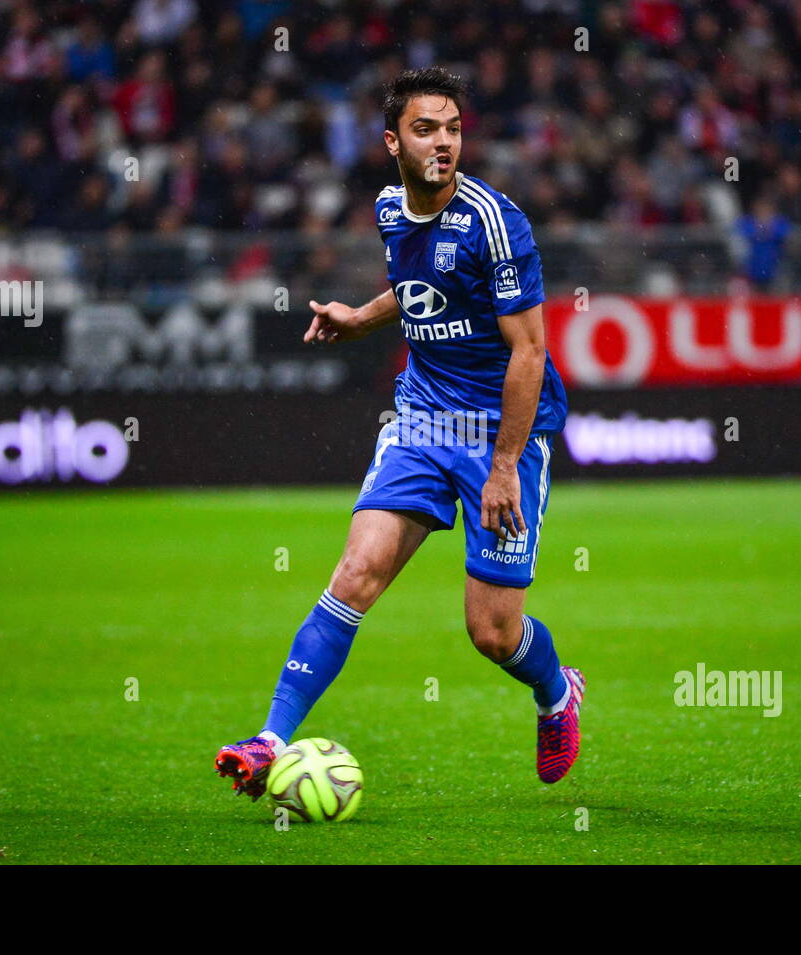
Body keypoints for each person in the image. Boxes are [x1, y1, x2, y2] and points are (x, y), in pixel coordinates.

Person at [215, 67, 582, 799]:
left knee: (493, 631)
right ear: (392, 142)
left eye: (451, 128)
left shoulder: (495, 221)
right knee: (354, 575)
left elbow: (531, 352)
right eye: (425, 129)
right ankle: (269, 739)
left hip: (499, 435)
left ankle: (557, 692)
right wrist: (360, 315)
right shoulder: (390, 210)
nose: (442, 142)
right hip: (420, 418)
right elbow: (419, 295)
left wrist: (506, 462)